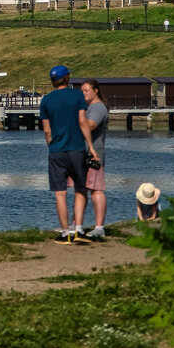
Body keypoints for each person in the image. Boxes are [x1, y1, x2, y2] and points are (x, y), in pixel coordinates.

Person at [38, 65, 98, 244]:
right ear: (67, 78)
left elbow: (47, 131)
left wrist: (52, 146)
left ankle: (65, 233)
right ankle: (79, 229)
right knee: (80, 189)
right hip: (76, 149)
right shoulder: (77, 95)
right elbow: (82, 121)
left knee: (60, 193)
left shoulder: (46, 101)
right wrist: (91, 147)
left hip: (56, 151)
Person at [69, 78, 109, 239]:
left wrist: (74, 119)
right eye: (82, 91)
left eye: (86, 90)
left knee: (96, 189)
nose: (83, 93)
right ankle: (75, 224)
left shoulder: (98, 108)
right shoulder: (88, 107)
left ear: (95, 90)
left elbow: (90, 125)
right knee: (80, 189)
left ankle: (99, 226)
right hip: (82, 153)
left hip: (94, 155)